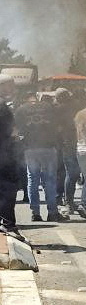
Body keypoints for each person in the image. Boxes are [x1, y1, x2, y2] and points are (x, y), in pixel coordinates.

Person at [15, 92, 66, 222]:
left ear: (26, 99)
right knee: (50, 180)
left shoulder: (21, 110)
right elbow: (59, 127)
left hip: (30, 148)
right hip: (48, 147)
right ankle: (52, 212)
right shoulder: (49, 107)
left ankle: (35, 213)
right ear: (37, 97)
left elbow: (16, 130)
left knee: (32, 179)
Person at [54, 88, 81, 215]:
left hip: (62, 144)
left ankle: (60, 199)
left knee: (63, 173)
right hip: (70, 144)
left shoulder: (57, 110)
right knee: (71, 174)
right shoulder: (72, 108)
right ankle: (68, 201)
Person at [0, 76, 19, 232]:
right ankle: (8, 224)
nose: (12, 88)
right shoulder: (2, 106)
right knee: (8, 188)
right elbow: (11, 131)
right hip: (4, 154)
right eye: (9, 85)